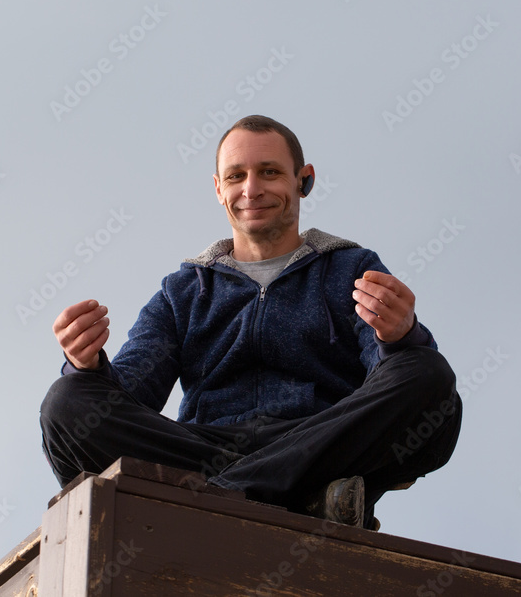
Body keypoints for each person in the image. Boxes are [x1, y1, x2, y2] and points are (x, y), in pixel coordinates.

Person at [40, 115, 461, 529]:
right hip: (206, 448)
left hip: (316, 439)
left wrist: (400, 337)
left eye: (270, 172)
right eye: (236, 176)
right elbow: (129, 392)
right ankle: (298, 497)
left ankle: (213, 498)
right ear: (218, 188)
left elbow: (389, 373)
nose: (252, 189)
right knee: (68, 401)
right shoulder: (184, 290)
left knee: (428, 374)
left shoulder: (350, 268)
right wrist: (86, 365)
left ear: (304, 180)